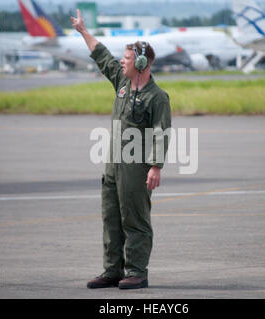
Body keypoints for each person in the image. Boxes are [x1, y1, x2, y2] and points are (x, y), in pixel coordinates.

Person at [71, 9, 172, 289]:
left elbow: (162, 133)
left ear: (141, 63)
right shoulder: (122, 84)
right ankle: (112, 270)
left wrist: (155, 166)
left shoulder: (157, 97)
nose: (121, 62)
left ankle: (137, 272)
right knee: (111, 218)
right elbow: (101, 56)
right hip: (113, 166)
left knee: (135, 220)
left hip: (136, 168)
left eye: (126, 59)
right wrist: (82, 30)